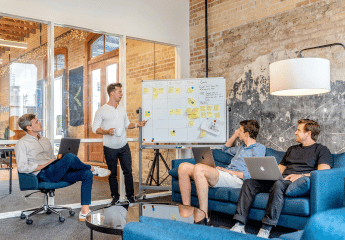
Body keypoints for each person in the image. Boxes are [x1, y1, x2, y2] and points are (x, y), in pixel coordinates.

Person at [231, 119, 333, 238]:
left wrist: (300, 176)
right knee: (249, 183)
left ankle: (265, 229)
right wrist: (266, 174)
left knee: (278, 184)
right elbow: (279, 169)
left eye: (298, 130)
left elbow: (323, 172)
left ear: (308, 133)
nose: (295, 132)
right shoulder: (292, 149)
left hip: (297, 182)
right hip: (282, 180)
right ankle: (239, 224)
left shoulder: (321, 150)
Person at [14, 114, 111, 221]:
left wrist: (58, 159)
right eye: (36, 122)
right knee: (70, 157)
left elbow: (51, 158)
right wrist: (43, 165)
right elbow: (22, 167)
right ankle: (92, 168)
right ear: (28, 127)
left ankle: (84, 211)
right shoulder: (22, 143)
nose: (40, 123)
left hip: (54, 171)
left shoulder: (45, 140)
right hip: (43, 174)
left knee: (86, 174)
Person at [178, 120, 266, 224]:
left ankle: (204, 215)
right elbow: (224, 149)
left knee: (199, 168)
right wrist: (234, 135)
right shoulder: (241, 148)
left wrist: (227, 171)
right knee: (183, 167)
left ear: (246, 134)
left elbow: (252, 174)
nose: (237, 131)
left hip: (237, 180)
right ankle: (187, 208)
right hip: (226, 175)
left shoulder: (259, 148)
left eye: (240, 130)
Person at [92, 83, 147, 205]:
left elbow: (127, 124)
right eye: (119, 92)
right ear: (112, 93)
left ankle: (130, 196)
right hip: (110, 148)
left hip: (123, 146)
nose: (121, 94)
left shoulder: (122, 109)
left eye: (121, 92)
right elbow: (94, 128)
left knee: (128, 171)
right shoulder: (101, 110)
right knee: (112, 174)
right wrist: (106, 131)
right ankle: (115, 198)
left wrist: (137, 124)